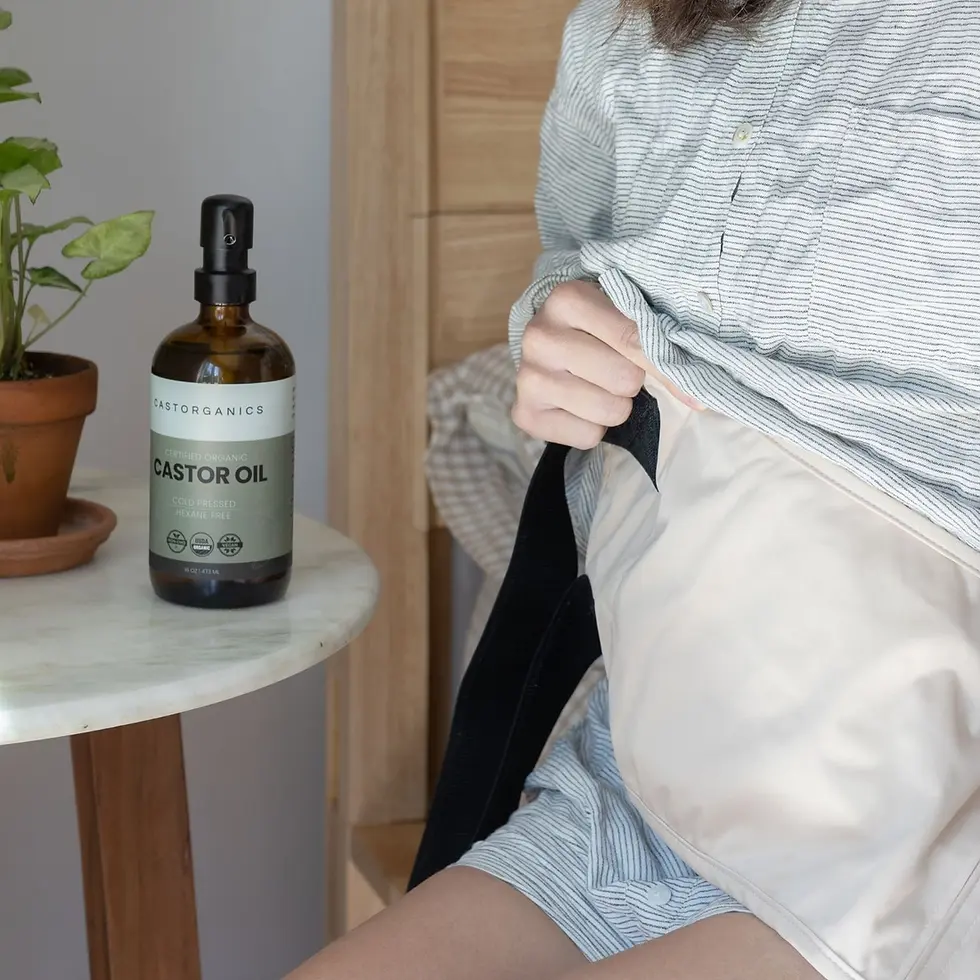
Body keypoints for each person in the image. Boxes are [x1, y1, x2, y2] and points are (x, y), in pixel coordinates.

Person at [289, 0, 980, 977]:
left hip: (916, 834)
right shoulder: (621, 30)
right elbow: (570, 268)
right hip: (647, 777)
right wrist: (555, 328)